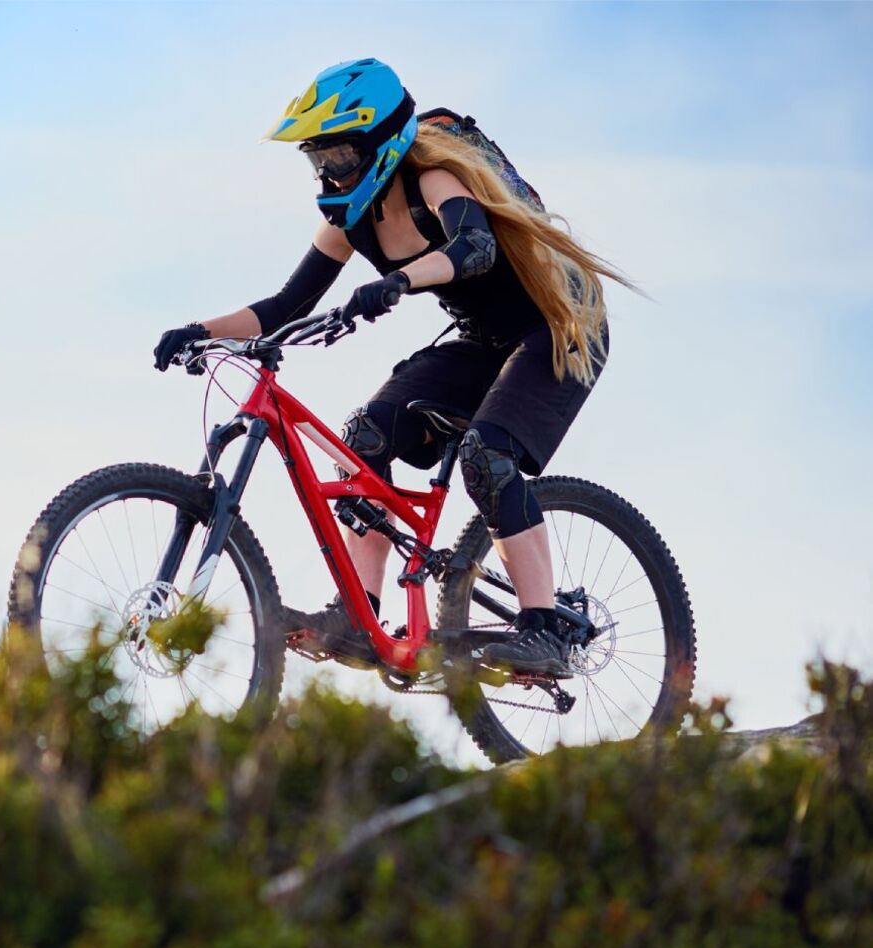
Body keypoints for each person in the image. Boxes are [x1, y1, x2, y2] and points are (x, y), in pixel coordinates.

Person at [152, 58, 630, 677]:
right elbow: (286, 305)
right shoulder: (351, 221)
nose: (328, 172)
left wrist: (399, 281)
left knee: (488, 457)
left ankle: (545, 631)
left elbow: (474, 249)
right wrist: (200, 330)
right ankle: (359, 616)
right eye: (317, 160)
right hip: (484, 341)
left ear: (380, 140)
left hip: (561, 328)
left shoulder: (434, 175)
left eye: (339, 156)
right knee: (364, 441)